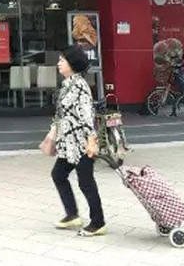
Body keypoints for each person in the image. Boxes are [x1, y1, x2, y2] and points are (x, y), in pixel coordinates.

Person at [43, 44, 107, 236]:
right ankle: (72, 215)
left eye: (62, 60)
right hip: (68, 145)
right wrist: (53, 134)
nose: (59, 63)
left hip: (81, 143)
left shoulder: (79, 85)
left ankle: (98, 222)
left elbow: (87, 115)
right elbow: (61, 113)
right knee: (58, 175)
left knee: (86, 182)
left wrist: (91, 140)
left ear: (72, 63)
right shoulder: (67, 84)